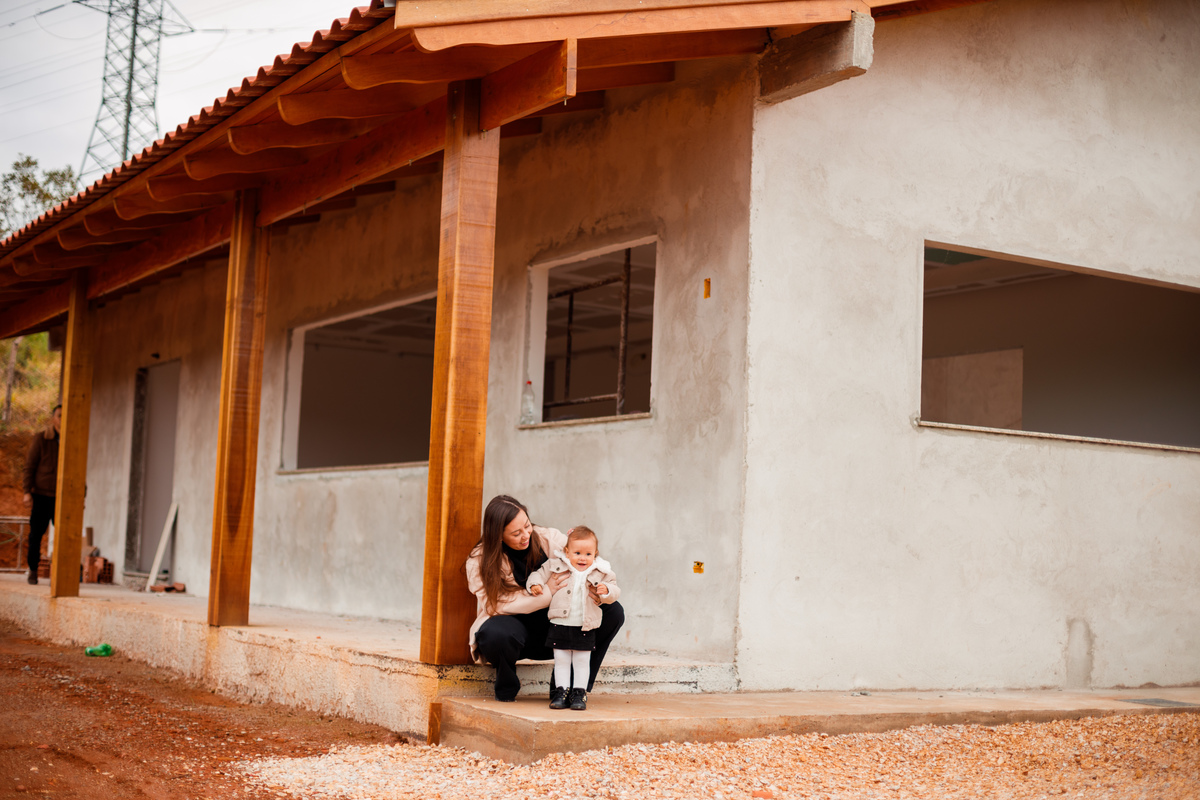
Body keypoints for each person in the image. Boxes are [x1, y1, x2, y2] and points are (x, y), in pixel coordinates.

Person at [465, 495, 625, 703]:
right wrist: (547, 592)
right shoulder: (480, 559)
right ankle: (506, 686)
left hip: (559, 630)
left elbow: (586, 556)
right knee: (494, 633)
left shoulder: (547, 538)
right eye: (516, 533)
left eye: (527, 526)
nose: (525, 535)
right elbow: (494, 604)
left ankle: (569, 689)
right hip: (516, 633)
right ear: (498, 536)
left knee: (613, 612)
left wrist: (599, 591)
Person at [527, 525, 619, 710]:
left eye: (588, 554)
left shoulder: (601, 571)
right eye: (577, 553)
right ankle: (561, 692)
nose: (582, 558)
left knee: (581, 662)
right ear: (567, 552)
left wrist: (606, 591)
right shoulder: (556, 565)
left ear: (595, 554)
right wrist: (535, 584)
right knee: (561, 660)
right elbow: (538, 574)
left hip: (585, 626)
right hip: (559, 623)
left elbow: (615, 590)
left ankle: (579, 694)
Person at [22, 405, 61, 585]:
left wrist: (80, 495)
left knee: (64, 536)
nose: (62, 419)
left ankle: (61, 574)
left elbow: (78, 468)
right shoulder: (42, 439)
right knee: (36, 535)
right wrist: (26, 491)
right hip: (42, 495)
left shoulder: (71, 439)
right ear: (53, 418)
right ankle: (33, 570)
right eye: (59, 416)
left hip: (62, 497)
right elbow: (30, 466)